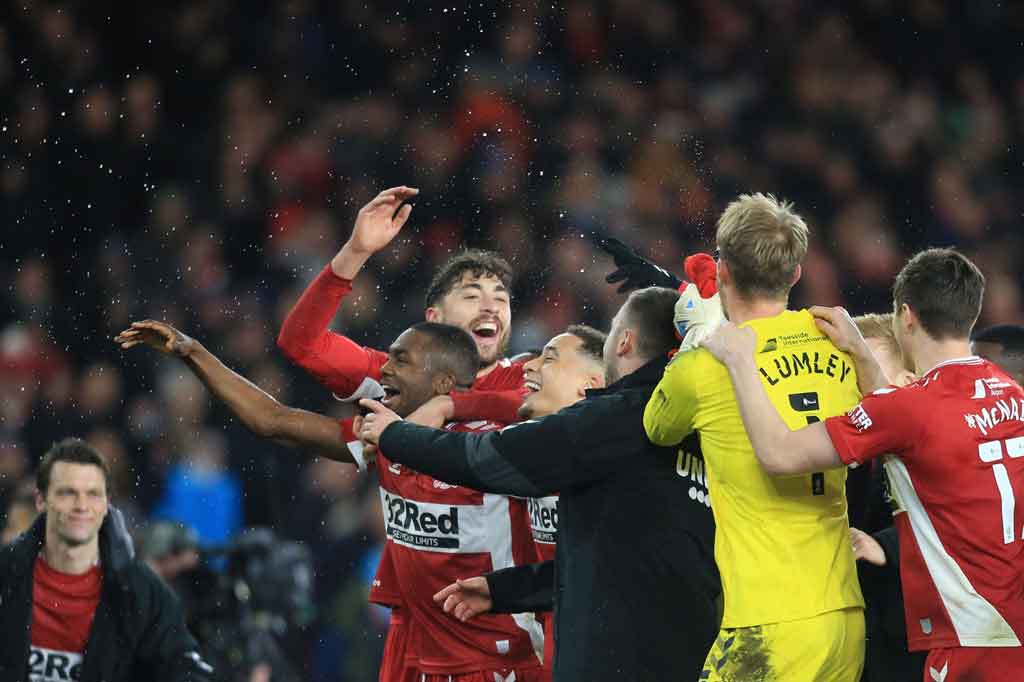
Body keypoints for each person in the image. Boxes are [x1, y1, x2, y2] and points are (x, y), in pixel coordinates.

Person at [115, 319, 545, 682]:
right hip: (423, 659)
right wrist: (192, 352)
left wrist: (454, 406)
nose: (385, 369)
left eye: (401, 360)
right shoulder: (382, 436)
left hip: (501, 660)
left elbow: (550, 408)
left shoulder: (496, 444)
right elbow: (273, 420)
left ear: (443, 382)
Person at [357, 286, 720, 682]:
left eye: (549, 358)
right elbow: (627, 565)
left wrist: (397, 434)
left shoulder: (613, 421)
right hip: (689, 653)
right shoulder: (702, 427)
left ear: (624, 342)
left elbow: (487, 460)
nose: (529, 367)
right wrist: (508, 590)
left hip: (618, 662)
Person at [702, 248, 1024, 682]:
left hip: (973, 640)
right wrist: (859, 350)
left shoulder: (913, 409)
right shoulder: (1008, 391)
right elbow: (909, 417)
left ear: (906, 316)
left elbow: (780, 454)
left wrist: (740, 361)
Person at [643, 193, 865, 681]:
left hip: (767, 621)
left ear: (722, 271)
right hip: (844, 614)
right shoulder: (840, 341)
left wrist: (694, 340)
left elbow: (657, 428)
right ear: (796, 274)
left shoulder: (707, 365)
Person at [0, 438, 212, 682]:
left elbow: (186, 671)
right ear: (41, 500)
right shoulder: (6, 576)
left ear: (106, 504)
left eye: (93, 494)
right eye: (68, 492)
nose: (81, 505)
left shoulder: (142, 593)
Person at [847, 313, 927, 682]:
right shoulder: (839, 454)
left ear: (908, 382)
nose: (855, 389)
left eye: (868, 371)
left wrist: (886, 545)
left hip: (918, 647)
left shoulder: (941, 444)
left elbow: (970, 516)